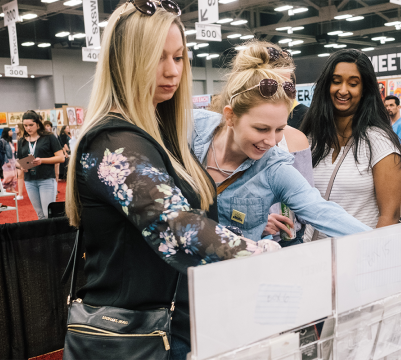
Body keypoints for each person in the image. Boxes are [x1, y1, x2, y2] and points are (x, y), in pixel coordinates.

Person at [64, 5, 279, 359]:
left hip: (175, 326)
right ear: (125, 62)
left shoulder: (165, 134)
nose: (172, 70)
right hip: (132, 336)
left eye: (178, 57)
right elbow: (178, 229)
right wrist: (259, 254)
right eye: (156, 58)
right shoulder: (112, 143)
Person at [190, 41, 370, 241]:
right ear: (230, 116)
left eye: (279, 129)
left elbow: (321, 211)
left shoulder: (274, 168)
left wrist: (390, 240)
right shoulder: (191, 129)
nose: (271, 141)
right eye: (261, 129)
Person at [300, 49, 401, 240]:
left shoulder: (379, 142)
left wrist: (370, 258)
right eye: (336, 81)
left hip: (358, 259)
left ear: (365, 89)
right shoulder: (310, 140)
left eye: (353, 83)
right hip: (310, 259)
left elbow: (389, 217)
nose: (343, 90)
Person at [16, 111, 64, 219]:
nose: (28, 128)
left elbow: (61, 158)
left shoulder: (49, 137)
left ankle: (54, 235)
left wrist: (42, 160)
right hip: (29, 181)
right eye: (25, 125)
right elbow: (19, 161)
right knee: (40, 215)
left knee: (48, 214)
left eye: (31, 125)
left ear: (38, 124)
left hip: (46, 179)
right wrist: (22, 167)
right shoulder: (22, 141)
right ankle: (45, 236)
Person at [0, 128, 17, 192]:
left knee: (14, 175)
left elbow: (13, 152)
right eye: (10, 131)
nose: (12, 132)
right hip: (6, 160)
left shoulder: (10, 141)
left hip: (13, 159)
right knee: (8, 176)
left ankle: (12, 189)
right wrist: (6, 161)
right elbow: (3, 152)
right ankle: (1, 187)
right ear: (7, 132)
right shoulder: (2, 141)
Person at [44, 120, 61, 185]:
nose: (47, 127)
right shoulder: (43, 137)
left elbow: (60, 145)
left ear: (51, 127)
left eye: (48, 126)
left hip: (56, 157)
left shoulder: (55, 135)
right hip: (48, 158)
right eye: (45, 126)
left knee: (56, 173)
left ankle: (55, 188)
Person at [14, 124, 25, 200]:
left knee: (21, 175)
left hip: (24, 158)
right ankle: (20, 194)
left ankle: (20, 194)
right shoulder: (18, 137)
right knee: (20, 176)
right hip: (20, 158)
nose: (15, 129)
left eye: (17, 127)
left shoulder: (24, 137)